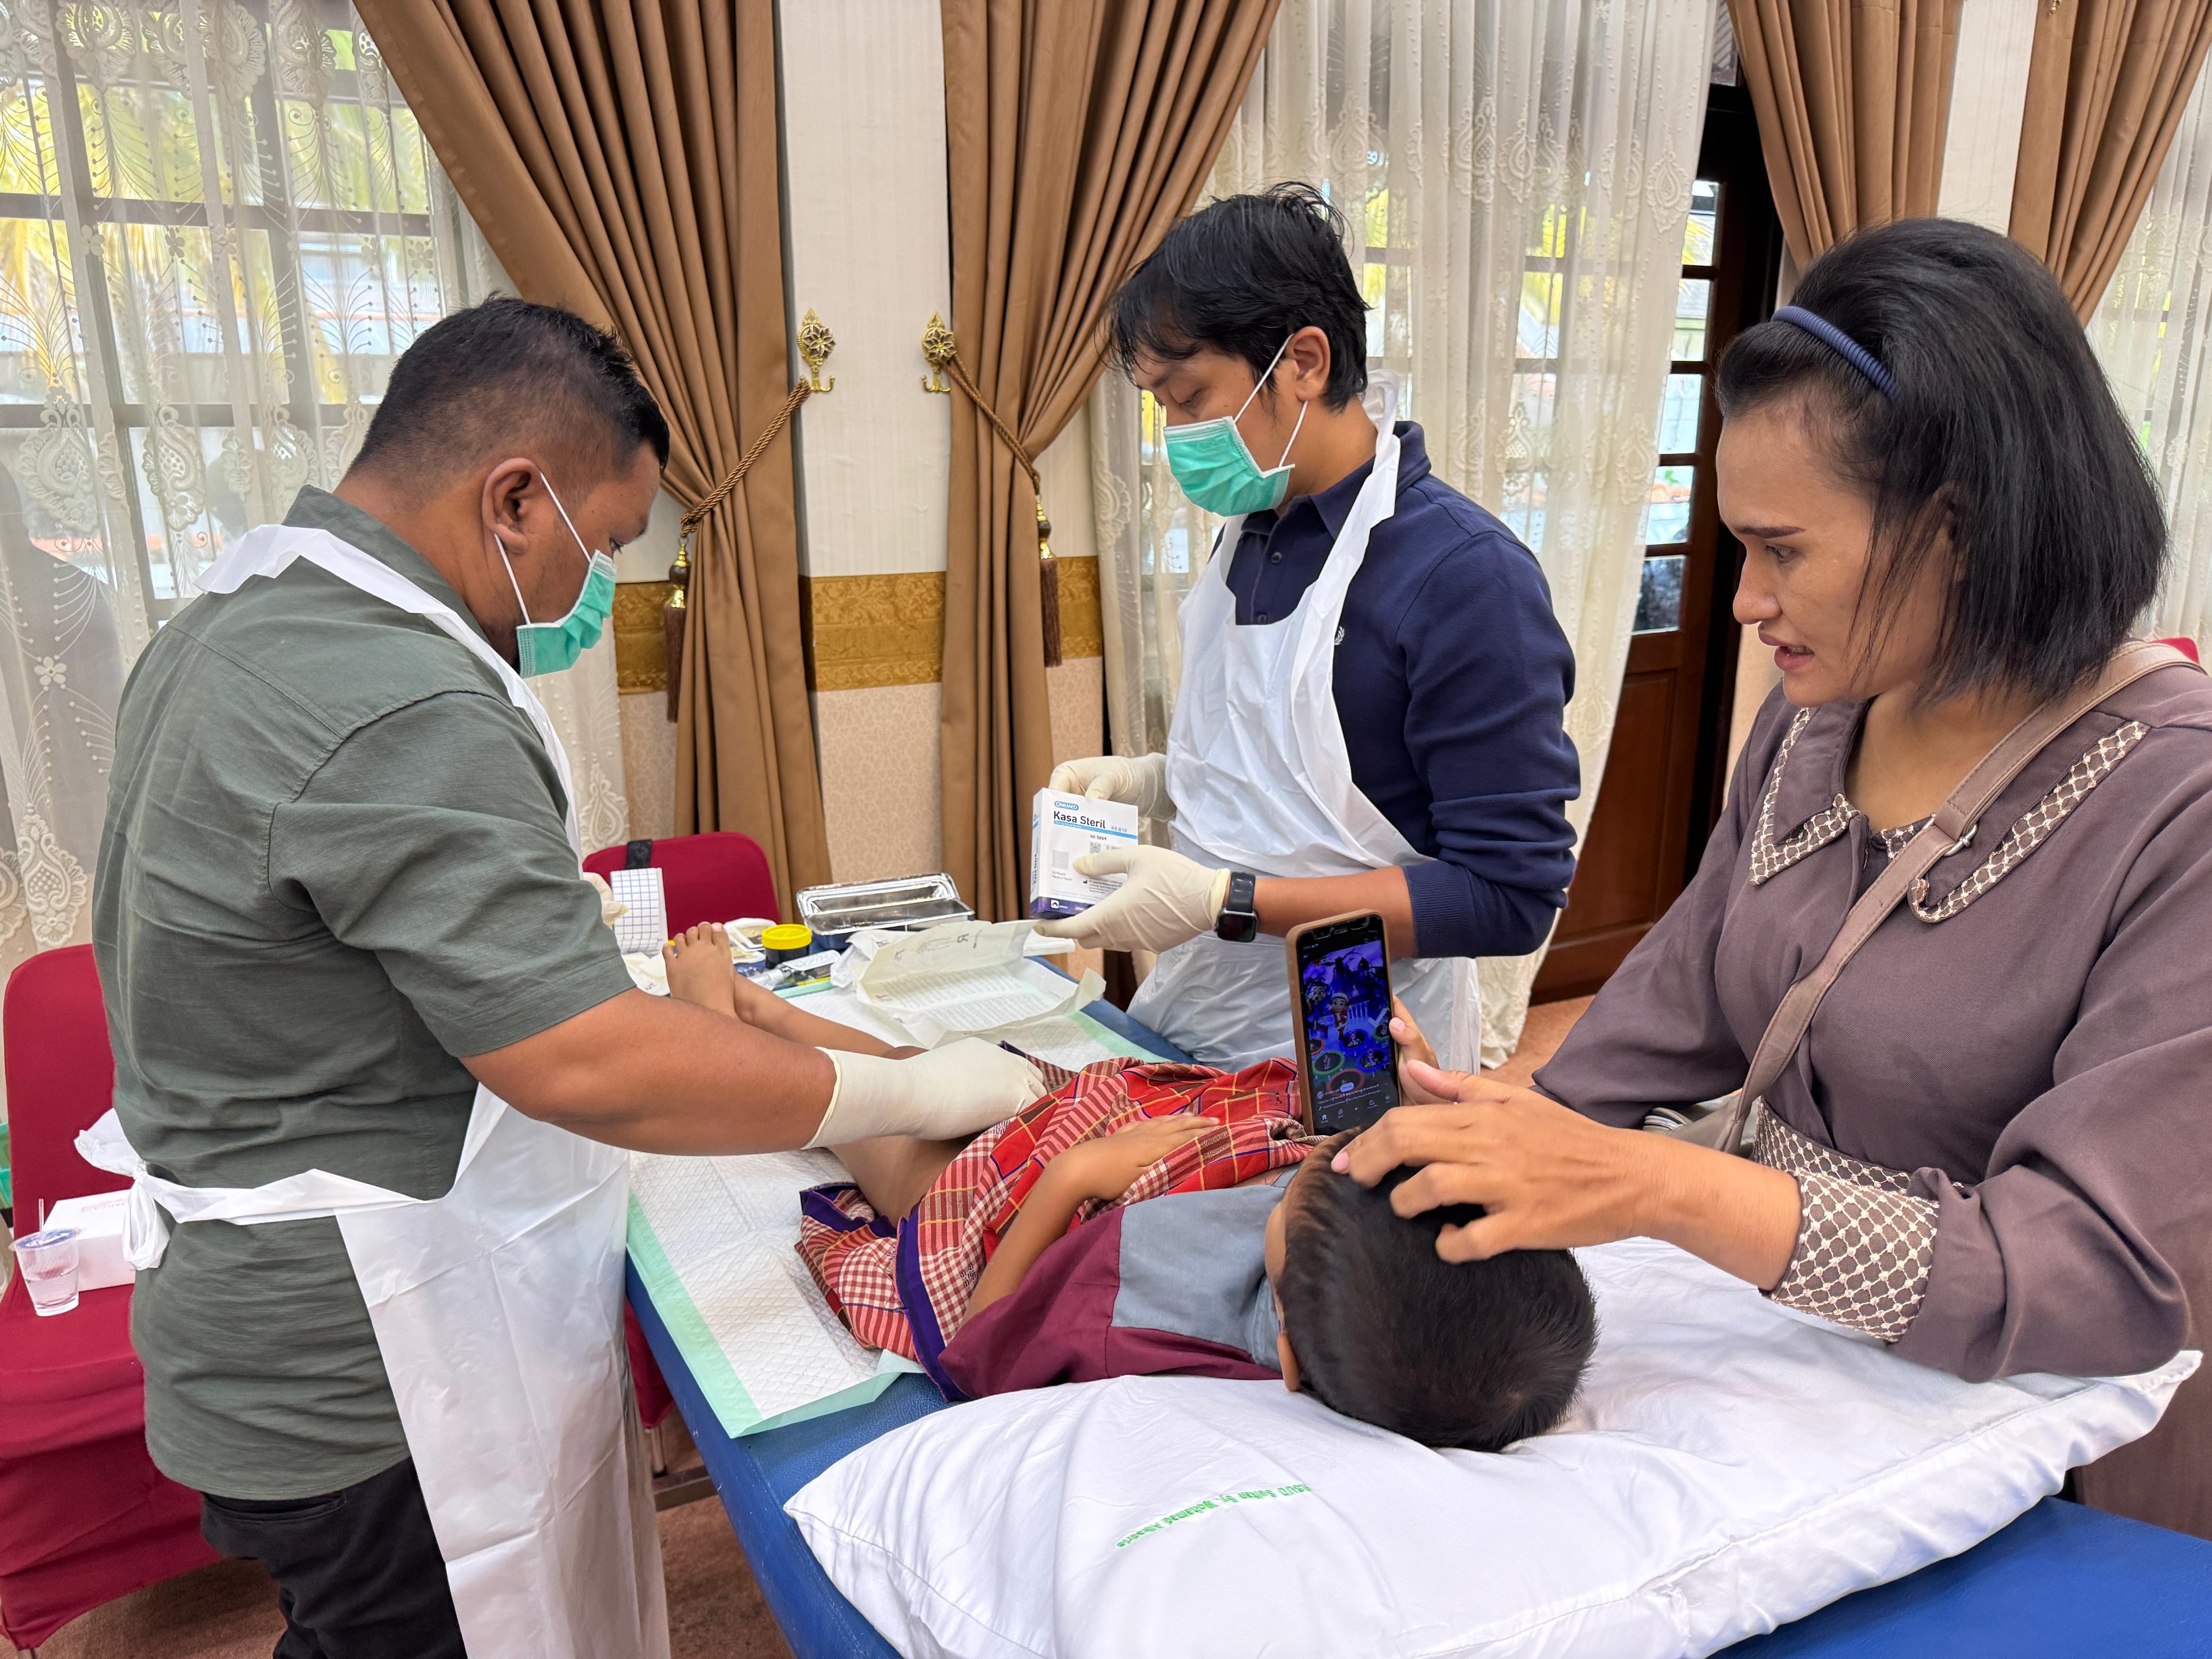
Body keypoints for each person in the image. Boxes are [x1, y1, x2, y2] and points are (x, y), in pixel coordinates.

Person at [91, 299, 1042, 1659]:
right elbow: (586, 1058)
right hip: (370, 1373)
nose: (597, 586)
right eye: (600, 545)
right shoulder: (398, 694)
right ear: (516, 498)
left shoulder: (241, 621)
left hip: (253, 1333)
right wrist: (911, 1080)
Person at [1337, 220, 2212, 1535]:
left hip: (2036, 1452)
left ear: (1958, 529)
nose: (1744, 601)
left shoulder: (2171, 808)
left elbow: (2094, 1268)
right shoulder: (1811, 736)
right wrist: (1481, 1133)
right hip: (1802, 1388)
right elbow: (1658, 1022)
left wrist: (1666, 1189)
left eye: (1782, 549)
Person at [661, 926, 1597, 1452]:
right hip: (1091, 1134)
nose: (1329, 1153)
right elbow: (1328, 1158)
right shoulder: (1367, 1272)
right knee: (936, 1073)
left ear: (1289, 1353)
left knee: (881, 1124)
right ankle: (779, 1014)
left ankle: (729, 1039)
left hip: (1010, 1202)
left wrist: (1079, 1174)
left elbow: (980, 1350)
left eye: (1305, 1178)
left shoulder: (1142, 1303)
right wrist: (1406, 1087)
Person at [1037, 184, 1579, 1073]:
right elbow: (1298, 778)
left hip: (1357, 1016)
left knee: (1292, 1200)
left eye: (1188, 395)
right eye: (1159, 405)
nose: (1174, 433)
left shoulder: (1464, 577)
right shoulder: (1253, 529)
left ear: (1304, 363)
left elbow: (1507, 896)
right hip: (1205, 1002)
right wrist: (1159, 782)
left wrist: (1227, 898)